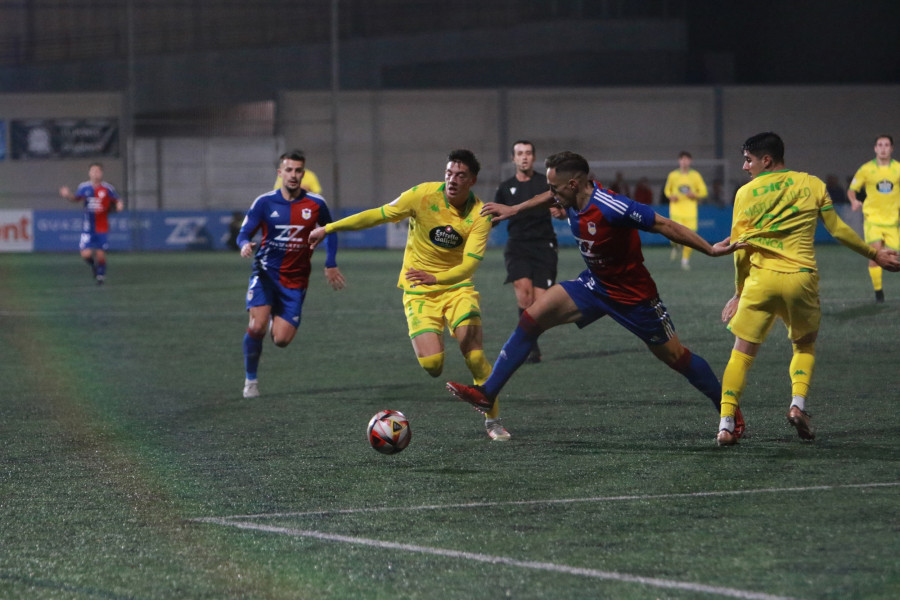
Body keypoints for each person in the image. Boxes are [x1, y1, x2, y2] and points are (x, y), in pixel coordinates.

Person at [446, 151, 744, 438]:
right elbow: (550, 196)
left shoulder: (612, 207)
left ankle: (728, 410)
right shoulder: (571, 194)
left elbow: (664, 225)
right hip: (594, 285)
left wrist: (709, 248)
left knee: (676, 356)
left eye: (555, 188)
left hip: (634, 297)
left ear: (573, 184)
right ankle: (488, 393)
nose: (552, 194)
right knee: (532, 318)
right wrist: (514, 209)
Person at [715, 132, 900, 446]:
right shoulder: (813, 184)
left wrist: (738, 292)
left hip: (762, 281)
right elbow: (839, 229)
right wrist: (874, 254)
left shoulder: (745, 194)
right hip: (801, 278)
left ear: (766, 160)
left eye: (749, 159)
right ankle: (797, 406)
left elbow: (740, 249)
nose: (745, 167)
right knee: (803, 346)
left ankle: (726, 425)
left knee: (742, 353)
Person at [308, 149, 507, 441]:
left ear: (472, 180)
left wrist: (436, 277)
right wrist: (328, 228)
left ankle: (494, 422)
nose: (452, 180)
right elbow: (378, 215)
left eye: (460, 175)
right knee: (432, 366)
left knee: (475, 357)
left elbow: (469, 266)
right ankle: (433, 345)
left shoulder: (480, 214)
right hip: (418, 290)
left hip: (457, 288)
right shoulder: (422, 195)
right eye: (449, 173)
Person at [237, 149, 345, 399]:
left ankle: (277, 317)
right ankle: (250, 381)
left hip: (295, 281)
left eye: (298, 170)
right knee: (256, 327)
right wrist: (244, 244)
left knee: (282, 340)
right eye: (289, 170)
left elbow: (331, 230)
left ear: (303, 173)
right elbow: (244, 233)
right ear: (280, 173)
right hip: (265, 274)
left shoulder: (316, 203)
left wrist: (330, 263)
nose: (293, 175)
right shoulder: (264, 202)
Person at [494, 140, 565, 363]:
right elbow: (495, 216)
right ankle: (529, 348)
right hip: (518, 247)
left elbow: (564, 208)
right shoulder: (505, 187)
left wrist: (560, 213)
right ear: (513, 158)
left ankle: (529, 340)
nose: (524, 157)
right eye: (519, 153)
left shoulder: (546, 184)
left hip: (544, 246)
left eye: (527, 153)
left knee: (540, 306)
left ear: (534, 158)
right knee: (524, 295)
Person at [847, 135, 900, 303]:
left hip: (892, 222)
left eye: (886, 145)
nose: (883, 148)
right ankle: (879, 293)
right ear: (875, 148)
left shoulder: (898, 169)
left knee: (894, 258)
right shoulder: (866, 169)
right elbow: (852, 189)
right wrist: (854, 200)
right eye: (880, 145)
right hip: (873, 220)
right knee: (876, 255)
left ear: (891, 148)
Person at [59, 162, 124, 284]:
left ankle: (101, 275)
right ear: (89, 173)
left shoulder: (107, 188)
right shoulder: (84, 187)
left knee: (100, 253)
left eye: (98, 171)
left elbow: (117, 199)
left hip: (102, 226)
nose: (95, 173)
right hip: (88, 227)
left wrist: (119, 205)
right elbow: (75, 199)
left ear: (101, 173)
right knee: (85, 254)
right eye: (93, 171)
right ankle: (94, 267)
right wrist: (68, 195)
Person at [664, 151, 709, 270]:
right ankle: (675, 245)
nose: (684, 162)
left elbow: (704, 191)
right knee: (674, 234)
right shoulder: (673, 175)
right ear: (679, 161)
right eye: (682, 159)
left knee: (690, 237)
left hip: (690, 211)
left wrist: (695, 195)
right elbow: (667, 190)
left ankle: (685, 260)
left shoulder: (695, 176)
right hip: (676, 210)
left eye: (687, 159)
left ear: (690, 161)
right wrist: (670, 196)